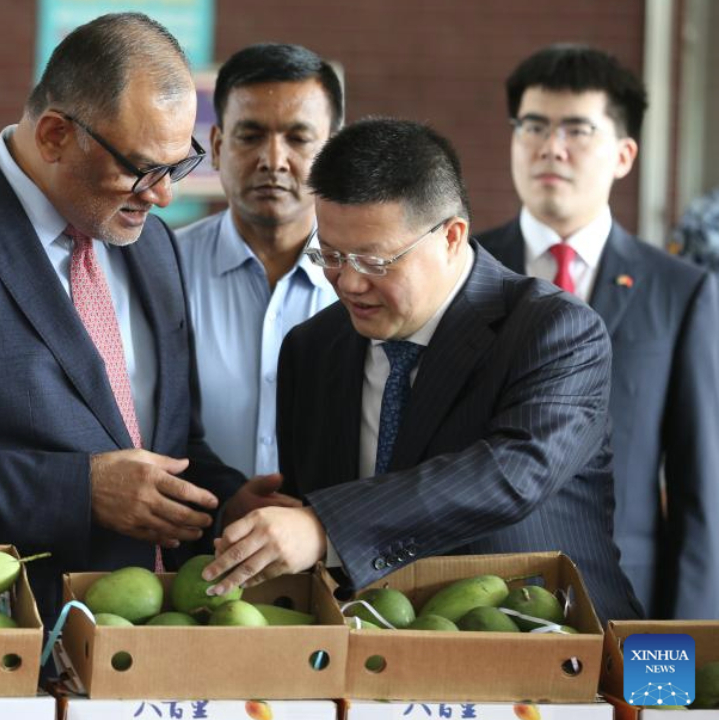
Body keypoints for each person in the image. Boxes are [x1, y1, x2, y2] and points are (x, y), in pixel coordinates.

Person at [0, 13, 271, 624]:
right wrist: (78, 491)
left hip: (162, 636)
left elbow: (156, 443)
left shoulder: (155, 246)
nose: (163, 195)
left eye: (179, 163)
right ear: (56, 135)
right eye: (141, 168)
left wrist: (226, 501)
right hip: (10, 645)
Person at [203, 117, 643, 623]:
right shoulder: (312, 348)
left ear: (452, 236)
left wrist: (326, 527)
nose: (346, 282)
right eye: (330, 253)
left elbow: (514, 472)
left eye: (373, 261)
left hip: (555, 649)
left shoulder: (554, 331)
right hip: (371, 663)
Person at [478, 45, 719, 619]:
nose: (550, 148)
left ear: (624, 154)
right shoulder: (464, 269)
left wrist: (683, 648)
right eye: (532, 126)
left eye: (576, 130)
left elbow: (701, 493)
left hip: (626, 603)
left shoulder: (680, 293)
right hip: (478, 600)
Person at [177, 43, 341, 478]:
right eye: (250, 137)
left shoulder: (372, 276)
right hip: (188, 538)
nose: (273, 161)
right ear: (215, 147)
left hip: (335, 541)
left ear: (335, 152)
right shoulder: (162, 268)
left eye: (299, 138)